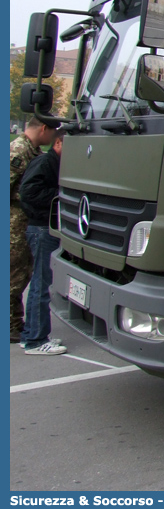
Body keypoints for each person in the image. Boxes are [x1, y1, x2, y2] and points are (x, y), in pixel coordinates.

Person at [10, 117, 58, 343]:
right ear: (43, 128)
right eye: (53, 132)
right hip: (15, 222)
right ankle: (12, 325)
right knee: (14, 276)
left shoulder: (33, 150)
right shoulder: (20, 150)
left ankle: (16, 325)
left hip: (22, 221)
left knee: (23, 275)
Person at [19, 132, 66, 355]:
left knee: (40, 282)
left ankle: (31, 334)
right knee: (41, 284)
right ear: (58, 143)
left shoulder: (52, 162)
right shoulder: (46, 162)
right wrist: (61, 195)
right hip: (41, 227)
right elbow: (28, 191)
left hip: (44, 227)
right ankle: (36, 340)